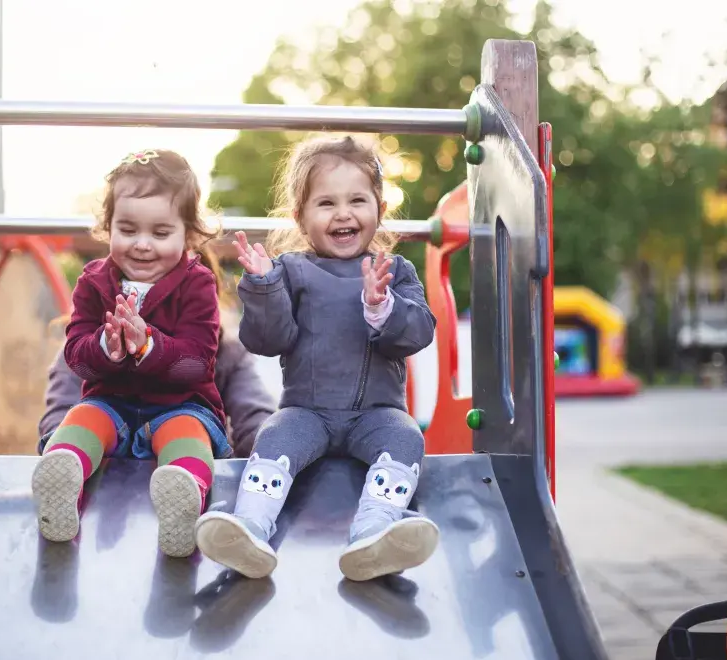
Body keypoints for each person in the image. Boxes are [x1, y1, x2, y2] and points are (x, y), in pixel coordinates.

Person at [194, 135, 439, 582]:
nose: (343, 213)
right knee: (273, 436)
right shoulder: (291, 272)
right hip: (306, 411)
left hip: (377, 414)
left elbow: (418, 332)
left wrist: (383, 308)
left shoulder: (395, 272)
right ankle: (250, 528)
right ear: (301, 218)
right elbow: (267, 340)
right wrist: (265, 287)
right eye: (326, 203)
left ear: (379, 210)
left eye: (357, 201)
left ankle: (373, 533)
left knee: (407, 440)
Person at [31, 148, 230, 559]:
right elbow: (77, 357)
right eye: (127, 229)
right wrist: (107, 346)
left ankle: (183, 496)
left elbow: (197, 362)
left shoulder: (197, 285)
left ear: (188, 234)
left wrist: (148, 346)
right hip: (111, 404)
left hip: (181, 405)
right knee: (82, 417)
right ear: (108, 227)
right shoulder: (93, 282)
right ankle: (62, 484)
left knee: (185, 435)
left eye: (160, 233)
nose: (141, 245)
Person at [37, 260, 277, 460]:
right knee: (80, 424)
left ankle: (187, 474)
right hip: (105, 473)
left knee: (188, 430)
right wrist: (73, 449)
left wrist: (269, 459)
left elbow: (255, 416)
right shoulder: (89, 350)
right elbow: (58, 416)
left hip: (190, 452)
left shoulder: (227, 354)